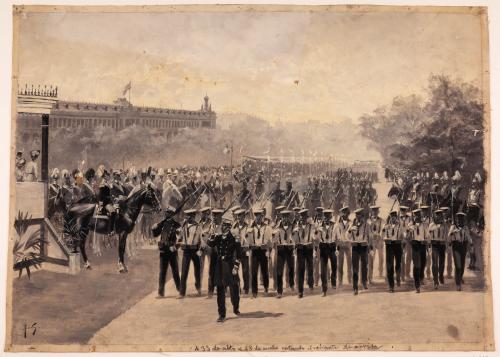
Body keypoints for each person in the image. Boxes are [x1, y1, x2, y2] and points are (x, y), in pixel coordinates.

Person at [207, 217, 242, 323]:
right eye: (222, 225)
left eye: (225, 226)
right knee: (220, 289)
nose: (223, 227)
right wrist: (211, 234)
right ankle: (222, 314)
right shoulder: (218, 237)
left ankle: (236, 307)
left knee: (234, 289)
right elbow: (210, 244)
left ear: (229, 227)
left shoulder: (234, 239)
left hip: (230, 265)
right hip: (220, 265)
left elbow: (239, 254)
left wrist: (236, 267)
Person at [152, 206, 181, 297]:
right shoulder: (162, 223)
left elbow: (181, 239)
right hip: (163, 251)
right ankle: (161, 292)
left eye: (168, 213)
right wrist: (154, 228)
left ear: (172, 214)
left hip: (172, 251)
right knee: (162, 272)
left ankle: (180, 290)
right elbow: (155, 234)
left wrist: (175, 247)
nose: (166, 214)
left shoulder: (177, 225)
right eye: (166, 212)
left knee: (175, 272)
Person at [247, 209, 272, 298]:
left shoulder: (267, 227)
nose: (257, 217)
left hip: (263, 250)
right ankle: (254, 292)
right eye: (256, 215)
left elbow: (269, 241)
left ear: (262, 216)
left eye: (259, 216)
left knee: (264, 271)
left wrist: (269, 251)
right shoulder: (250, 227)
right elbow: (247, 240)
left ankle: (266, 288)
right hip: (254, 251)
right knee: (253, 272)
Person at [178, 208, 203, 297]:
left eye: (191, 216)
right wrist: (179, 242)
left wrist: (200, 249)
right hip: (186, 251)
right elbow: (179, 237)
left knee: (197, 270)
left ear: (194, 216)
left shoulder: (198, 226)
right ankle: (182, 293)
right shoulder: (183, 225)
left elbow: (201, 239)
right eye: (187, 216)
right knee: (184, 271)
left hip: (195, 250)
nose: (189, 217)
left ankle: (198, 288)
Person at [347, 208, 372, 295]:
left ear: (362, 216)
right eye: (357, 215)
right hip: (355, 247)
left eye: (360, 215)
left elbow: (370, 236)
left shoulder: (367, 225)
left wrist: (370, 248)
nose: (358, 217)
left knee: (364, 266)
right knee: (355, 268)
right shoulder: (351, 224)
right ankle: (355, 287)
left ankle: (364, 282)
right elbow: (348, 236)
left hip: (364, 246)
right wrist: (350, 231)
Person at [272, 210, 295, 298]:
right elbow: (273, 240)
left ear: (289, 217)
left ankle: (291, 283)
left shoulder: (293, 226)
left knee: (291, 268)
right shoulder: (277, 227)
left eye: (286, 217)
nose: (285, 219)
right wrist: (274, 233)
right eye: (283, 217)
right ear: (281, 218)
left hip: (289, 249)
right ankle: (279, 291)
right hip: (281, 249)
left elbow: (296, 238)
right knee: (279, 271)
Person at [293, 208, 315, 298]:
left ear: (307, 217)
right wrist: (295, 232)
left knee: (310, 268)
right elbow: (293, 239)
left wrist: (312, 223)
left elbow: (315, 236)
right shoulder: (296, 226)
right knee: (300, 269)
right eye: (301, 217)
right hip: (300, 249)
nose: (303, 218)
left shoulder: (311, 225)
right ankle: (300, 291)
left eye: (304, 217)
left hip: (309, 247)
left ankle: (310, 284)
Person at [315, 209, 337, 296]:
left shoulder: (335, 226)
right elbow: (314, 237)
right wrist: (317, 231)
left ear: (331, 217)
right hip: (323, 247)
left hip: (332, 246)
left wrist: (337, 248)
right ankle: (324, 289)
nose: (326, 219)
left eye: (328, 216)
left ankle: (333, 280)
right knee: (323, 269)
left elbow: (337, 237)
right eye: (325, 217)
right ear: (323, 217)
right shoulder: (319, 226)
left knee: (334, 266)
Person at [448, 212, 471, 291]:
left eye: (461, 219)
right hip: (456, 247)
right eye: (458, 219)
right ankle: (458, 284)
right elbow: (448, 237)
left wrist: (471, 244)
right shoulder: (453, 227)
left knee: (462, 264)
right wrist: (452, 233)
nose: (459, 221)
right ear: (456, 219)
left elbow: (468, 237)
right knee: (458, 265)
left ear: (463, 220)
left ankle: (459, 277)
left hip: (463, 246)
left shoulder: (465, 228)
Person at [382, 210, 404, 292]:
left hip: (398, 245)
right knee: (389, 266)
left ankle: (398, 277)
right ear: (390, 218)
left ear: (396, 217)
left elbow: (403, 235)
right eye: (392, 217)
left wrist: (403, 238)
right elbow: (382, 236)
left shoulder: (400, 225)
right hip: (389, 246)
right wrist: (384, 229)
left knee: (398, 264)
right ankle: (391, 286)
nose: (393, 219)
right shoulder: (386, 225)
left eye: (394, 217)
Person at [407, 209, 429, 293]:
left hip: (422, 245)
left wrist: (426, 243)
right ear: (413, 216)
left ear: (420, 216)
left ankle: (421, 277)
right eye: (415, 215)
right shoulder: (410, 225)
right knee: (416, 265)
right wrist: (410, 233)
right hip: (415, 245)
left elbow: (427, 235)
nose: (417, 217)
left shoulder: (424, 225)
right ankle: (417, 285)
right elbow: (407, 237)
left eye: (418, 215)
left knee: (423, 263)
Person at [231, 208, 250, 294]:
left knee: (245, 270)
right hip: (236, 251)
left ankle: (246, 288)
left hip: (245, 250)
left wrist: (248, 248)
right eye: (238, 216)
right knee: (235, 269)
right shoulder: (233, 227)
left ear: (244, 216)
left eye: (240, 216)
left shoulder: (248, 226)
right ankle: (237, 287)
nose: (239, 218)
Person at [333, 206, 352, 286]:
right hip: (340, 244)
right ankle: (340, 281)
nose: (344, 215)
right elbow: (334, 236)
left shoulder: (351, 223)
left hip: (348, 244)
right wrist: (336, 247)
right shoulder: (337, 224)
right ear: (341, 214)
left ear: (348, 214)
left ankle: (350, 280)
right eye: (343, 213)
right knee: (340, 264)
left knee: (349, 263)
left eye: (346, 213)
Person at [428, 209, 447, 290]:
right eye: (437, 215)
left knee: (442, 263)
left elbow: (446, 235)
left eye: (440, 215)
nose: (438, 217)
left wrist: (446, 244)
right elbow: (428, 235)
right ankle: (435, 281)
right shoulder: (431, 225)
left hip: (442, 245)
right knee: (435, 263)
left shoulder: (444, 225)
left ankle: (441, 276)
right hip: (434, 245)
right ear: (435, 216)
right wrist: (429, 245)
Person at [368, 206, 384, 283]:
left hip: (379, 240)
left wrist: (379, 235)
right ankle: (370, 277)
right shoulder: (368, 221)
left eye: (376, 212)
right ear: (371, 212)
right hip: (372, 241)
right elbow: (367, 231)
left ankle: (380, 273)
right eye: (373, 211)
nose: (375, 213)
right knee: (371, 258)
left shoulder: (381, 220)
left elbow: (382, 230)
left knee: (381, 257)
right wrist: (372, 236)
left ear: (378, 212)